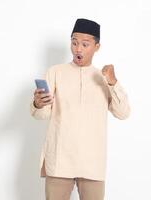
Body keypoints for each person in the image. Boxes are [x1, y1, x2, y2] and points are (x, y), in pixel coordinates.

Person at [30, 18, 131, 200]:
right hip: (60, 159)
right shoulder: (55, 72)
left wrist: (113, 83)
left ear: (97, 47)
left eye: (85, 44)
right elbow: (42, 114)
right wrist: (38, 103)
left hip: (92, 162)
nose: (78, 49)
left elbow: (123, 113)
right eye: (74, 42)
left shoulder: (103, 77)